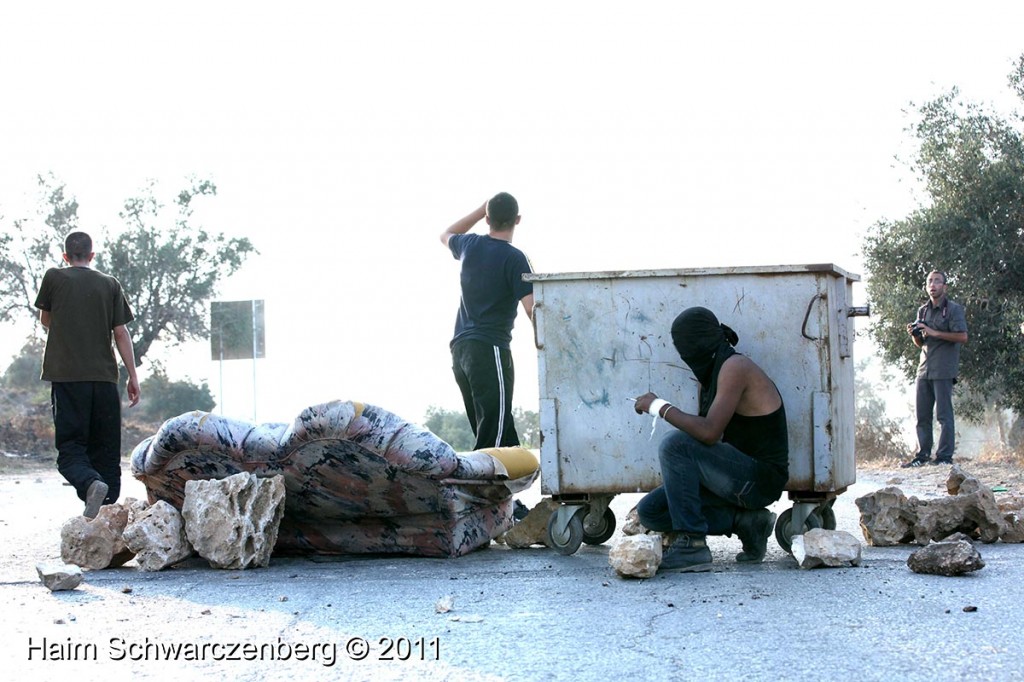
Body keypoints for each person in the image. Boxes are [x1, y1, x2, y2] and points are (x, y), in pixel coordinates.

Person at [631, 307, 789, 573]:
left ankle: (692, 546)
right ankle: (747, 523)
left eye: (686, 345)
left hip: (760, 479)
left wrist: (658, 406)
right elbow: (704, 442)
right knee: (651, 511)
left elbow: (709, 432)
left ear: (700, 341)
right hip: (733, 477)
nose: (685, 354)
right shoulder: (710, 375)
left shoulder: (735, 367)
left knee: (675, 444)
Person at [34, 231, 141, 518]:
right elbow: (121, 332)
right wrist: (133, 376)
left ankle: (90, 484)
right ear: (92, 256)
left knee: (71, 449)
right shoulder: (110, 284)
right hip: (105, 381)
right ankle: (104, 512)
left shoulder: (54, 277)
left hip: (69, 380)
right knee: (106, 451)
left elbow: (46, 319)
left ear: (65, 256)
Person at [440, 193, 534, 450]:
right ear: (518, 219)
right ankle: (484, 488)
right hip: (489, 349)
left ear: (487, 219)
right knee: (494, 437)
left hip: (460, 352)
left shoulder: (469, 245)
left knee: (495, 431)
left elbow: (446, 233)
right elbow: (532, 309)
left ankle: (506, 488)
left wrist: (480, 209)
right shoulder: (516, 259)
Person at [901, 270, 968, 468]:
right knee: (922, 415)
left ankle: (944, 456)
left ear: (944, 287)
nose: (933, 284)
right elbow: (921, 342)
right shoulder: (923, 310)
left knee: (944, 415)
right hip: (924, 369)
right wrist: (914, 334)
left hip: (944, 369)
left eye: (937, 281)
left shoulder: (954, 309)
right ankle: (922, 455)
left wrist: (933, 332)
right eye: (930, 281)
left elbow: (963, 337)